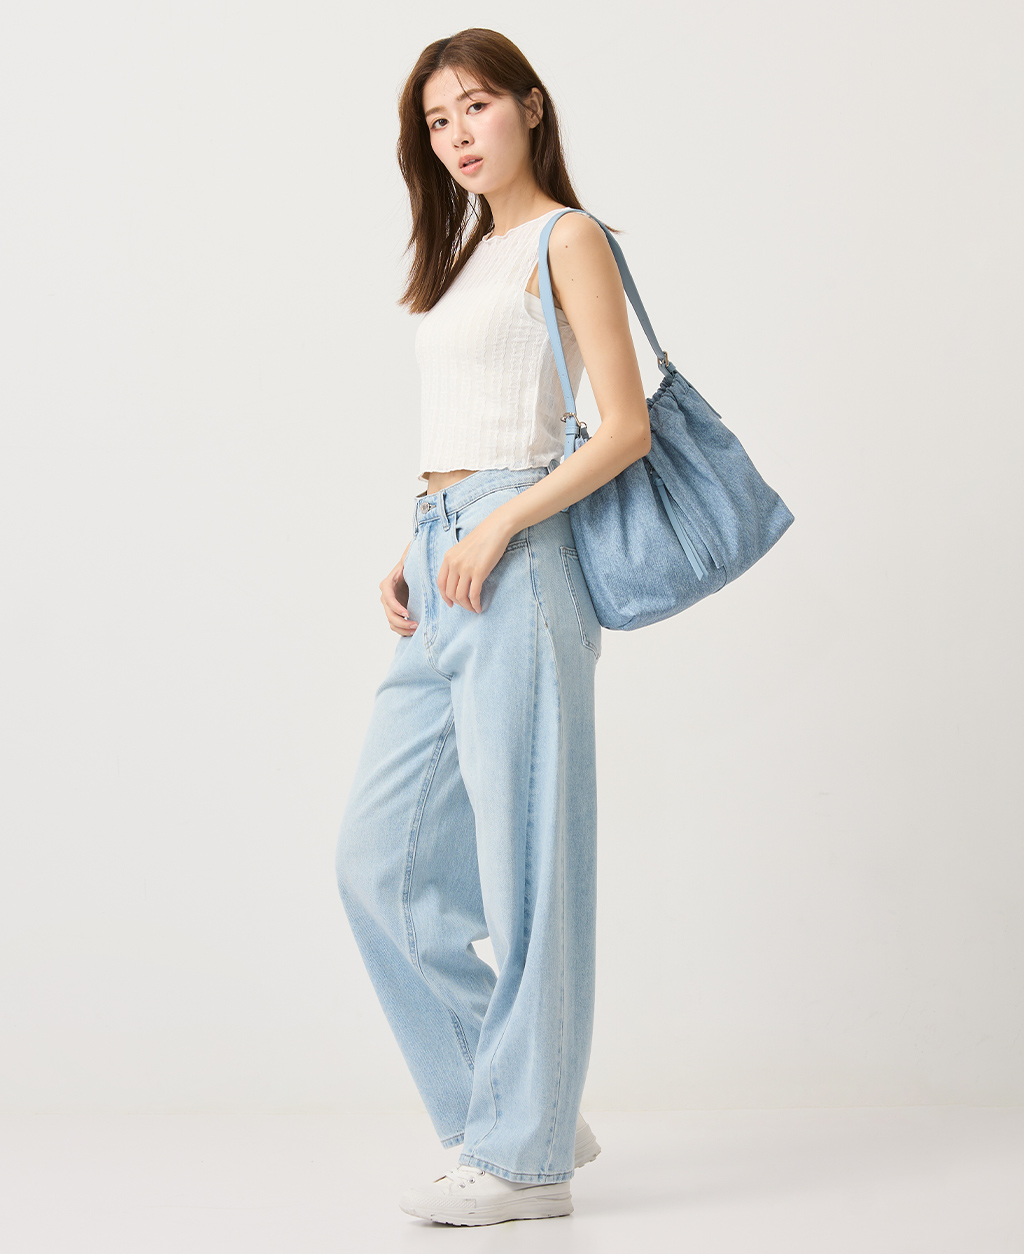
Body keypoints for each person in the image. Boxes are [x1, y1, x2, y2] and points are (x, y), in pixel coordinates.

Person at [335, 27, 651, 1227]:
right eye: (436, 121)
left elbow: (622, 428)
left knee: (526, 869)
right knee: (377, 864)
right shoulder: (468, 255)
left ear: (530, 106)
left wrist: (501, 521)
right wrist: (415, 545)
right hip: (445, 557)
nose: (458, 134)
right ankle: (527, 1101)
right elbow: (470, 419)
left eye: (475, 107)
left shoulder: (569, 238)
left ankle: (526, 1162)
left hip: (519, 558)